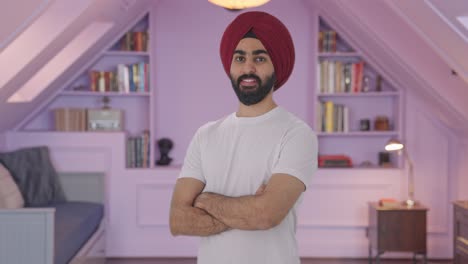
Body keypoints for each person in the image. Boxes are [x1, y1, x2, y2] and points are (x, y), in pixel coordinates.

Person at [169, 11, 318, 264]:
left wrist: (204, 201)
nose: (248, 68)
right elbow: (178, 220)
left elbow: (265, 215)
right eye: (240, 58)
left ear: (276, 66)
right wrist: (245, 211)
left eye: (259, 58)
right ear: (230, 66)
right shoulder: (206, 135)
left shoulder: (297, 134)